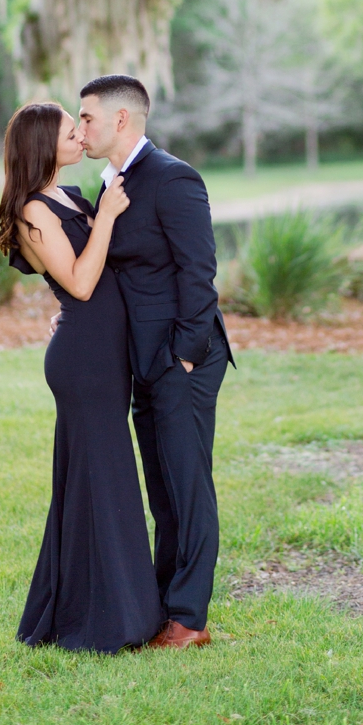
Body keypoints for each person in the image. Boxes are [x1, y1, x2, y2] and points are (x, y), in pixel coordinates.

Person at [76, 73, 236, 651]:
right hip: (142, 361)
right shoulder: (110, 185)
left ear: (120, 119)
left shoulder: (173, 178)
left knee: (187, 488)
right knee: (163, 490)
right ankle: (165, 609)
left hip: (180, 359)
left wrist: (185, 357)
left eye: (87, 117)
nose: (79, 129)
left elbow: (200, 272)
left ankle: (190, 620)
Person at [0, 101, 163, 653]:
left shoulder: (69, 195)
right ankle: (106, 621)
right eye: (72, 130)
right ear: (44, 144)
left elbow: (94, 273)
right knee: (102, 479)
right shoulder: (33, 209)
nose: (81, 135)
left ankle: (116, 609)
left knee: (102, 480)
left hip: (102, 352)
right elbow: (82, 284)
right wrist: (108, 215)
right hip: (84, 362)